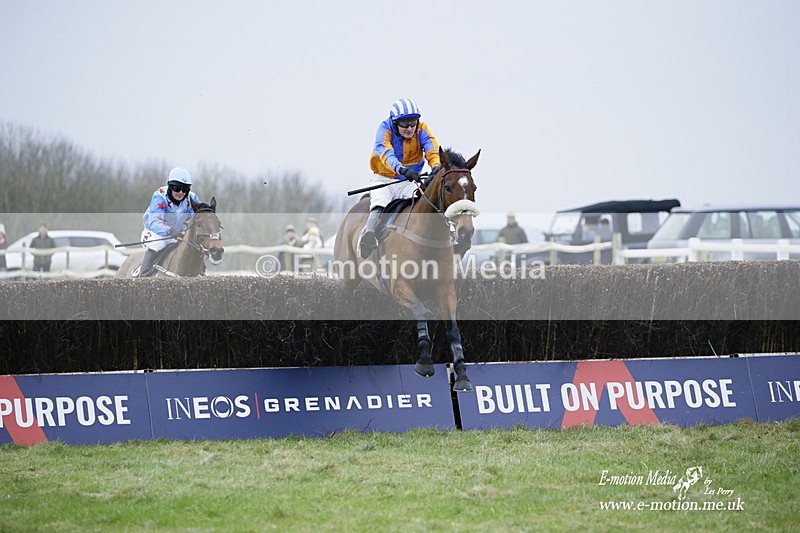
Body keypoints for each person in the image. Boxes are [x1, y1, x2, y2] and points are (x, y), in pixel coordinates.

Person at [359, 98, 442, 258]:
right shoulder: (384, 129)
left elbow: (432, 149)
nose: (410, 128)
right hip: (385, 179)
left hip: (409, 181)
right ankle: (368, 236)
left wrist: (436, 166)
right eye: (404, 124)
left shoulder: (422, 129)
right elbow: (387, 155)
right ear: (395, 122)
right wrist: (402, 170)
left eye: (413, 122)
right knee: (380, 203)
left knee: (423, 204)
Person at [138, 167, 202, 277]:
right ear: (170, 186)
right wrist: (169, 231)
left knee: (194, 246)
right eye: (177, 188)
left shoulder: (192, 198)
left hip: (177, 234)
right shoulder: (160, 196)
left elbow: (196, 219)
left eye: (185, 189)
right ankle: (143, 278)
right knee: (158, 243)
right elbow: (154, 222)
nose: (181, 192)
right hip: (155, 233)